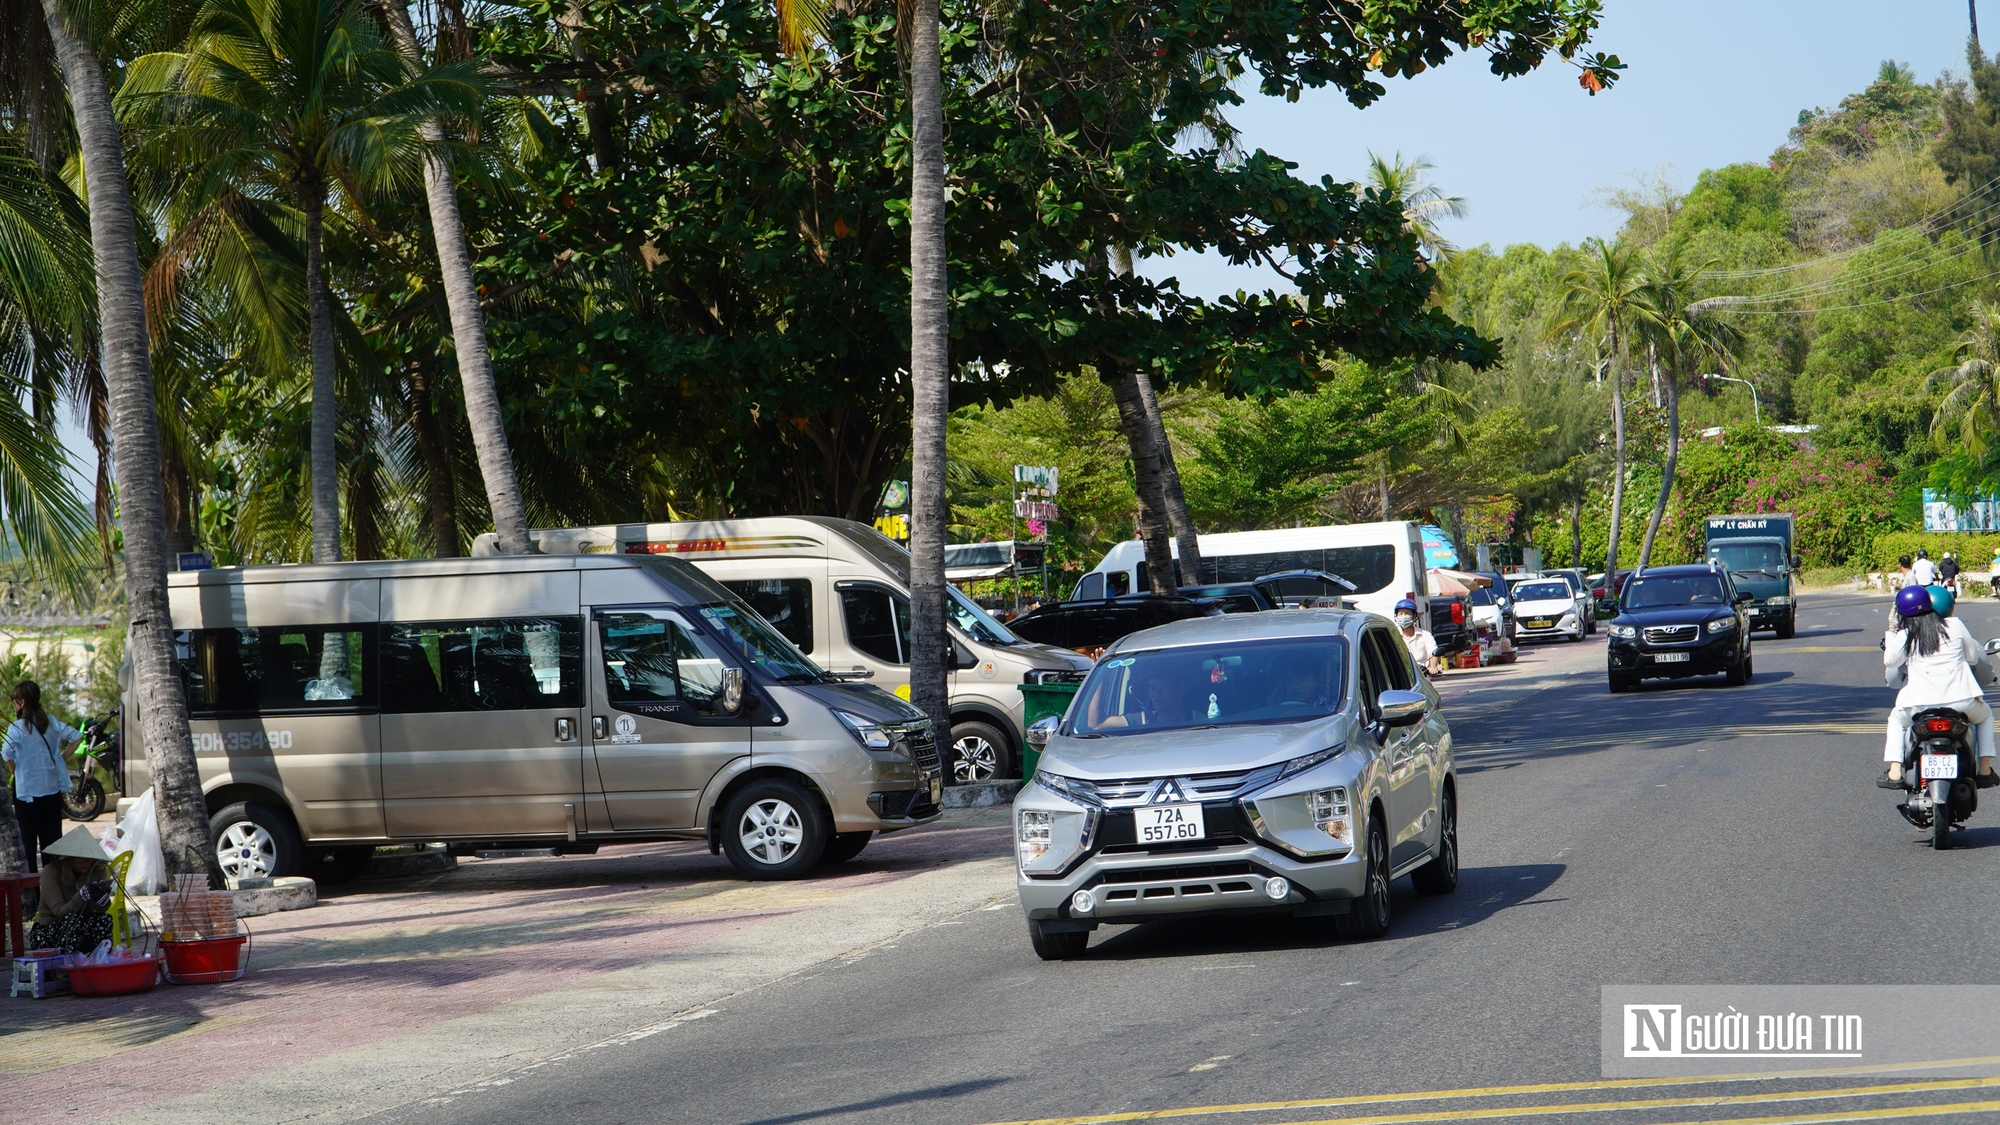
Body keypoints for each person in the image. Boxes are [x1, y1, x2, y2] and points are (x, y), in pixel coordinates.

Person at [1881, 584, 1996, 785]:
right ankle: (1985, 769)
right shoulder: (1956, 625)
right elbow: (1972, 657)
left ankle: (1895, 770)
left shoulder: (1906, 634)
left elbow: (1890, 662)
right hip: (1962, 702)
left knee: (1896, 721)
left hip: (1919, 705)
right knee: (1986, 716)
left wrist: (1892, 631)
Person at [2, 681, 81, 872]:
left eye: (14, 699)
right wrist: (60, 759)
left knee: (28, 847)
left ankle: (33, 894)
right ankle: (51, 892)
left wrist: (16, 771)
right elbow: (77, 737)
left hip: (27, 794)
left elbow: (6, 754)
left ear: (21, 702)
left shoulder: (17, 728)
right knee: (52, 846)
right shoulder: (51, 722)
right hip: (51, 791)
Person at [27, 825, 115, 955]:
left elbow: (96, 910)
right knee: (74, 920)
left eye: (89, 858)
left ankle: (99, 963)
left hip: (81, 930)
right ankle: (64, 968)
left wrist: (102, 902)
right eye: (81, 858)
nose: (86, 862)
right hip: (49, 932)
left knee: (104, 920)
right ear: (70, 858)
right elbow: (59, 912)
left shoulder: (98, 870)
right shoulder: (51, 871)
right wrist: (80, 896)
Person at [1394, 598, 1443, 677]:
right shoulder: (1394, 635)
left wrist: (1433, 666)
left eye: (1407, 613)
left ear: (1414, 616)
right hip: (1401, 677)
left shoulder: (1425, 635)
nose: (1403, 616)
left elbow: (1433, 653)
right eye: (1401, 614)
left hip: (1422, 677)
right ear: (1396, 617)